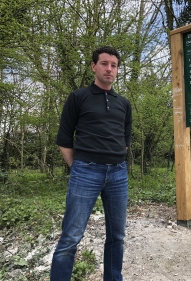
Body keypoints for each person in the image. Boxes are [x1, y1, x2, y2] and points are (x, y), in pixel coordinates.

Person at [50, 46, 132, 281]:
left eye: (114, 65)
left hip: (118, 174)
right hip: (85, 171)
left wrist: (113, 160)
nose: (109, 69)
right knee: (71, 237)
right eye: (104, 64)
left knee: (117, 236)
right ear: (93, 66)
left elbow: (125, 140)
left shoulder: (123, 103)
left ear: (117, 70)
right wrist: (78, 167)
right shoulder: (78, 97)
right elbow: (64, 140)